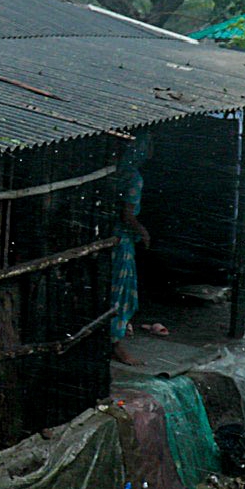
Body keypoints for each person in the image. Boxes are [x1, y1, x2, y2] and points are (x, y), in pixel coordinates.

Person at [110, 133, 153, 366]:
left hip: (109, 235)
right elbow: (127, 215)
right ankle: (115, 342)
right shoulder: (134, 177)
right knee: (121, 292)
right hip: (121, 239)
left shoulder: (115, 171)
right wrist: (142, 231)